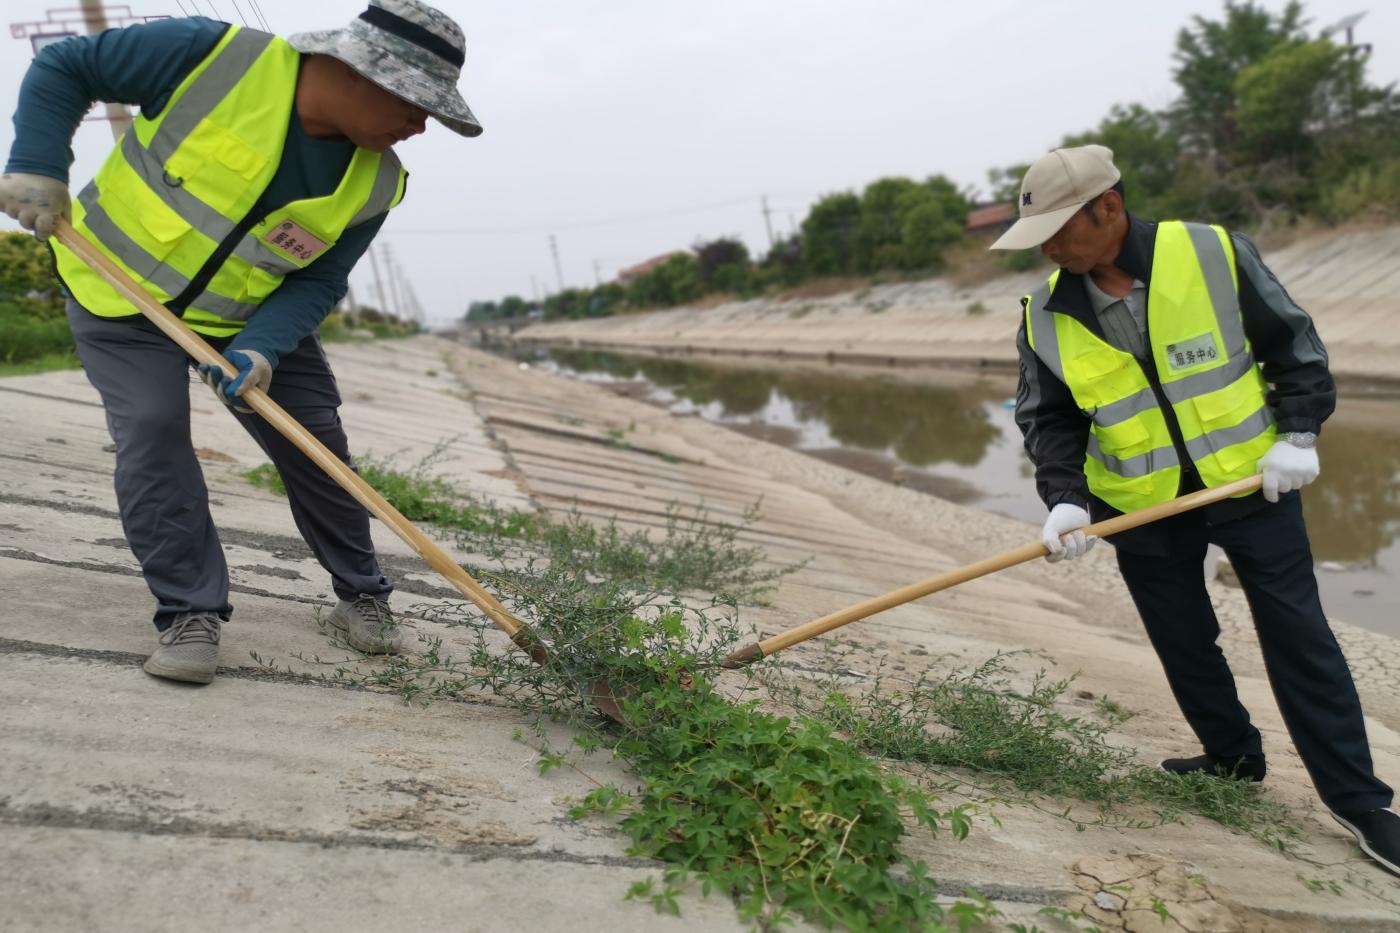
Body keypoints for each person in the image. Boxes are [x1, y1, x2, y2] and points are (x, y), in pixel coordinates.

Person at [0, 0, 482, 685]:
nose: (421, 125)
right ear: (358, 71)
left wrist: (263, 347)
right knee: (153, 429)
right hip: (117, 294)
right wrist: (36, 163)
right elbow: (65, 67)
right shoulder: (211, 57)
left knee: (314, 442)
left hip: (244, 319)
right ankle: (189, 611)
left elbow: (319, 280)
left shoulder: (377, 183)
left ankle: (362, 596)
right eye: (414, 103)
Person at [993, 144, 1399, 875]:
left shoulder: (1211, 253)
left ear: (1109, 207)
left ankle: (1363, 804)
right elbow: (1048, 418)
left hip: (1251, 485)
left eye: (1059, 230)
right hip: (1141, 505)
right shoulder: (1044, 314)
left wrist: (1298, 434)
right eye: (1039, 237)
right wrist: (1065, 500)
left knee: (1300, 637)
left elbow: (1294, 345)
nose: (1048, 249)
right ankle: (1232, 756)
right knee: (1183, 639)